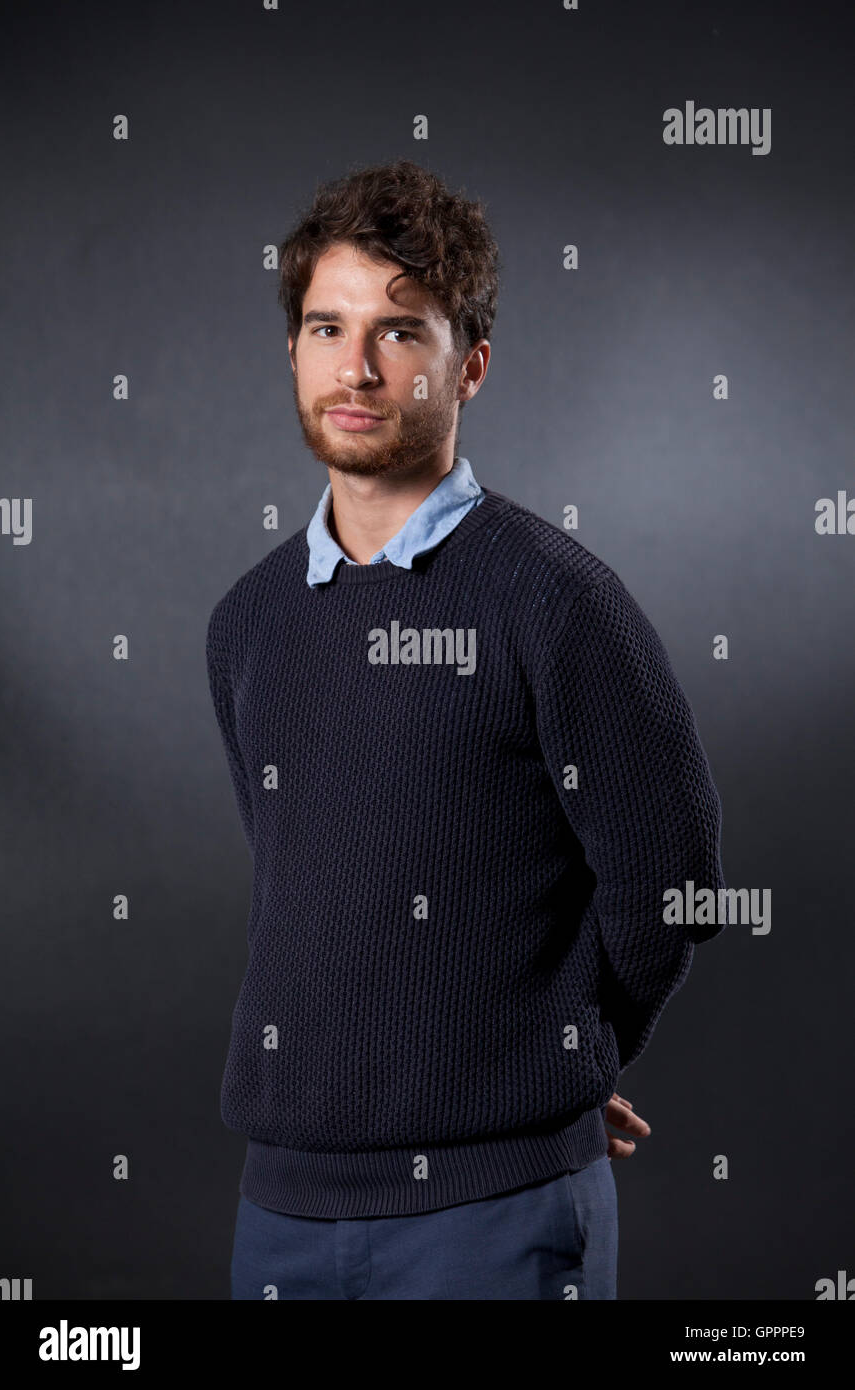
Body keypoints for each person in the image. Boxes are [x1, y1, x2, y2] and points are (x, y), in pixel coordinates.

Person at [206, 159, 726, 1300]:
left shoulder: (554, 600)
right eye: (325, 326)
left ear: (468, 365)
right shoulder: (246, 622)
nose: (354, 366)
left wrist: (561, 1051)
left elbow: (671, 879)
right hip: (281, 1212)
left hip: (493, 1217)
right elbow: (311, 872)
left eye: (399, 332)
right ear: (290, 350)